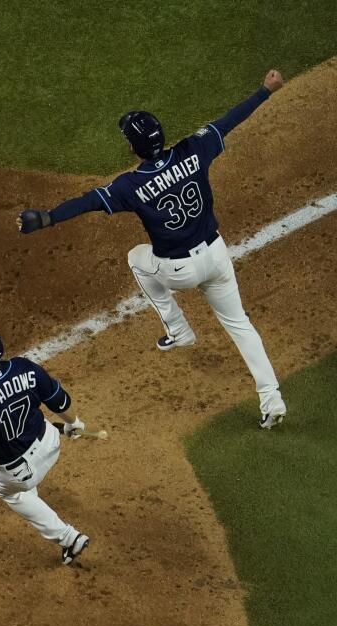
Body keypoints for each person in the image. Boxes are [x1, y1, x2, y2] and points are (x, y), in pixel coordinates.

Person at [17, 69, 288, 429]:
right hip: (217, 255)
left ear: (132, 148)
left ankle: (178, 329)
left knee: (136, 258)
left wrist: (48, 217)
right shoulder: (195, 149)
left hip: (178, 270)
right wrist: (265, 91)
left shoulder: (130, 185)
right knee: (240, 325)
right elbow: (229, 121)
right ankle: (272, 401)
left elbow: (88, 202)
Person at [0, 326, 90, 565]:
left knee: (4, 488)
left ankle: (68, 538)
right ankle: (55, 432)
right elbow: (60, 401)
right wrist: (74, 423)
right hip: (50, 444)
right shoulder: (24, 366)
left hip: (20, 474)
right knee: (29, 415)